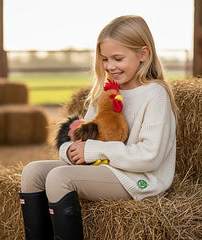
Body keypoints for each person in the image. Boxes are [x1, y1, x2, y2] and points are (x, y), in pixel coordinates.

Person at [19, 15, 177, 240]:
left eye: (118, 58)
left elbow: (149, 157)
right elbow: (83, 137)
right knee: (32, 172)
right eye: (104, 59)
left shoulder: (154, 95)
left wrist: (92, 151)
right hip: (105, 167)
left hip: (139, 180)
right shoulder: (106, 93)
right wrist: (71, 152)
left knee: (60, 179)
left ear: (143, 54)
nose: (110, 66)